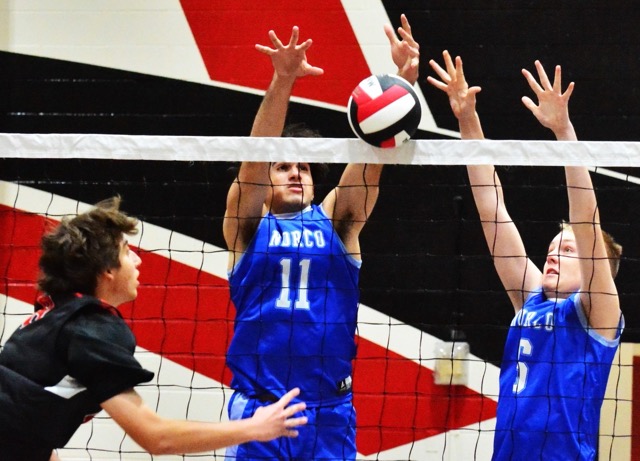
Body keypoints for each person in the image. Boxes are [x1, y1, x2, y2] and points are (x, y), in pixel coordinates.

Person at [222, 15, 419, 460]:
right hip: (260, 411)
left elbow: (373, 154)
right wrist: (283, 80)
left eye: (305, 167)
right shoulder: (248, 227)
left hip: (328, 412)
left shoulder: (336, 222)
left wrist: (401, 85)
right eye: (284, 166)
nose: (296, 172)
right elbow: (253, 159)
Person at [0, 196, 307, 461]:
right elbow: (156, 437)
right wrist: (256, 427)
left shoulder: (53, 315)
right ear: (106, 270)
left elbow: (23, 423)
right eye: (125, 251)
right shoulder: (90, 330)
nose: (137, 259)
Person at [427, 51, 623, 460]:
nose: (552, 256)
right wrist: (466, 119)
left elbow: (585, 220)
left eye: (567, 251)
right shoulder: (530, 298)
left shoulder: (598, 314)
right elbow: (491, 206)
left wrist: (563, 130)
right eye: (552, 248)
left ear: (595, 267)